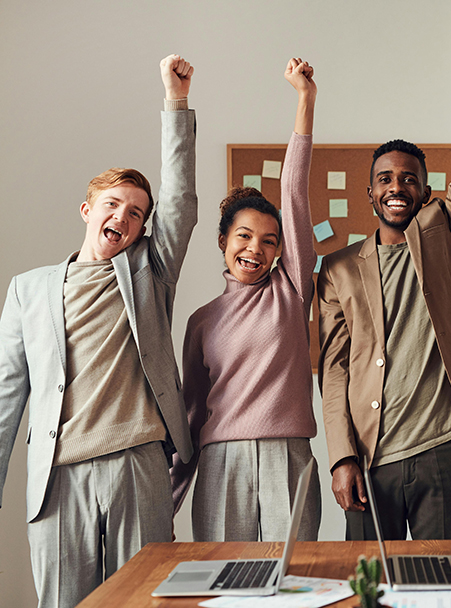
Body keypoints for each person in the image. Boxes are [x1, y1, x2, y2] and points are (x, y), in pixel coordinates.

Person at [0, 55, 196, 608]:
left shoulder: (148, 274)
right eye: (113, 205)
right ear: (88, 209)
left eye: (137, 213)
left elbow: (179, 203)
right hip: (58, 477)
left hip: (138, 464)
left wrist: (175, 102)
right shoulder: (28, 289)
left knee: (147, 601)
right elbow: (7, 392)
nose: (124, 218)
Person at [317, 8, 451, 541]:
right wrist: (340, 458)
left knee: (443, 586)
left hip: (444, 448)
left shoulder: (446, 233)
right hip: (369, 455)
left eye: (408, 179)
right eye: (385, 179)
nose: (396, 186)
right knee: (368, 587)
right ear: (371, 193)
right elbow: (333, 371)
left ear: (425, 191)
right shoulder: (337, 270)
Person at [170, 58, 321, 542]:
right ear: (222, 240)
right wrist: (167, 504)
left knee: (295, 581)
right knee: (223, 583)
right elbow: (192, 415)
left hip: (289, 456)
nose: (255, 249)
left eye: (269, 240)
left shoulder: (292, 290)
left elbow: (293, 192)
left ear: (282, 250)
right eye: (244, 236)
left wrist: (304, 100)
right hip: (220, 463)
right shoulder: (201, 321)